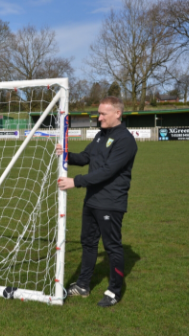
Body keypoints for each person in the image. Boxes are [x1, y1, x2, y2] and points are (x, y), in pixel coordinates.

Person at [56, 96, 137, 307]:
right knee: (89, 243)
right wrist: (67, 154)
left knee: (112, 247)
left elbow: (107, 171)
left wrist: (76, 181)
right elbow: (85, 157)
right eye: (98, 113)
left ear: (117, 113)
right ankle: (83, 285)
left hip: (111, 202)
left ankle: (114, 291)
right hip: (92, 200)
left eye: (103, 114)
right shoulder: (101, 136)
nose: (98, 118)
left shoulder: (125, 140)